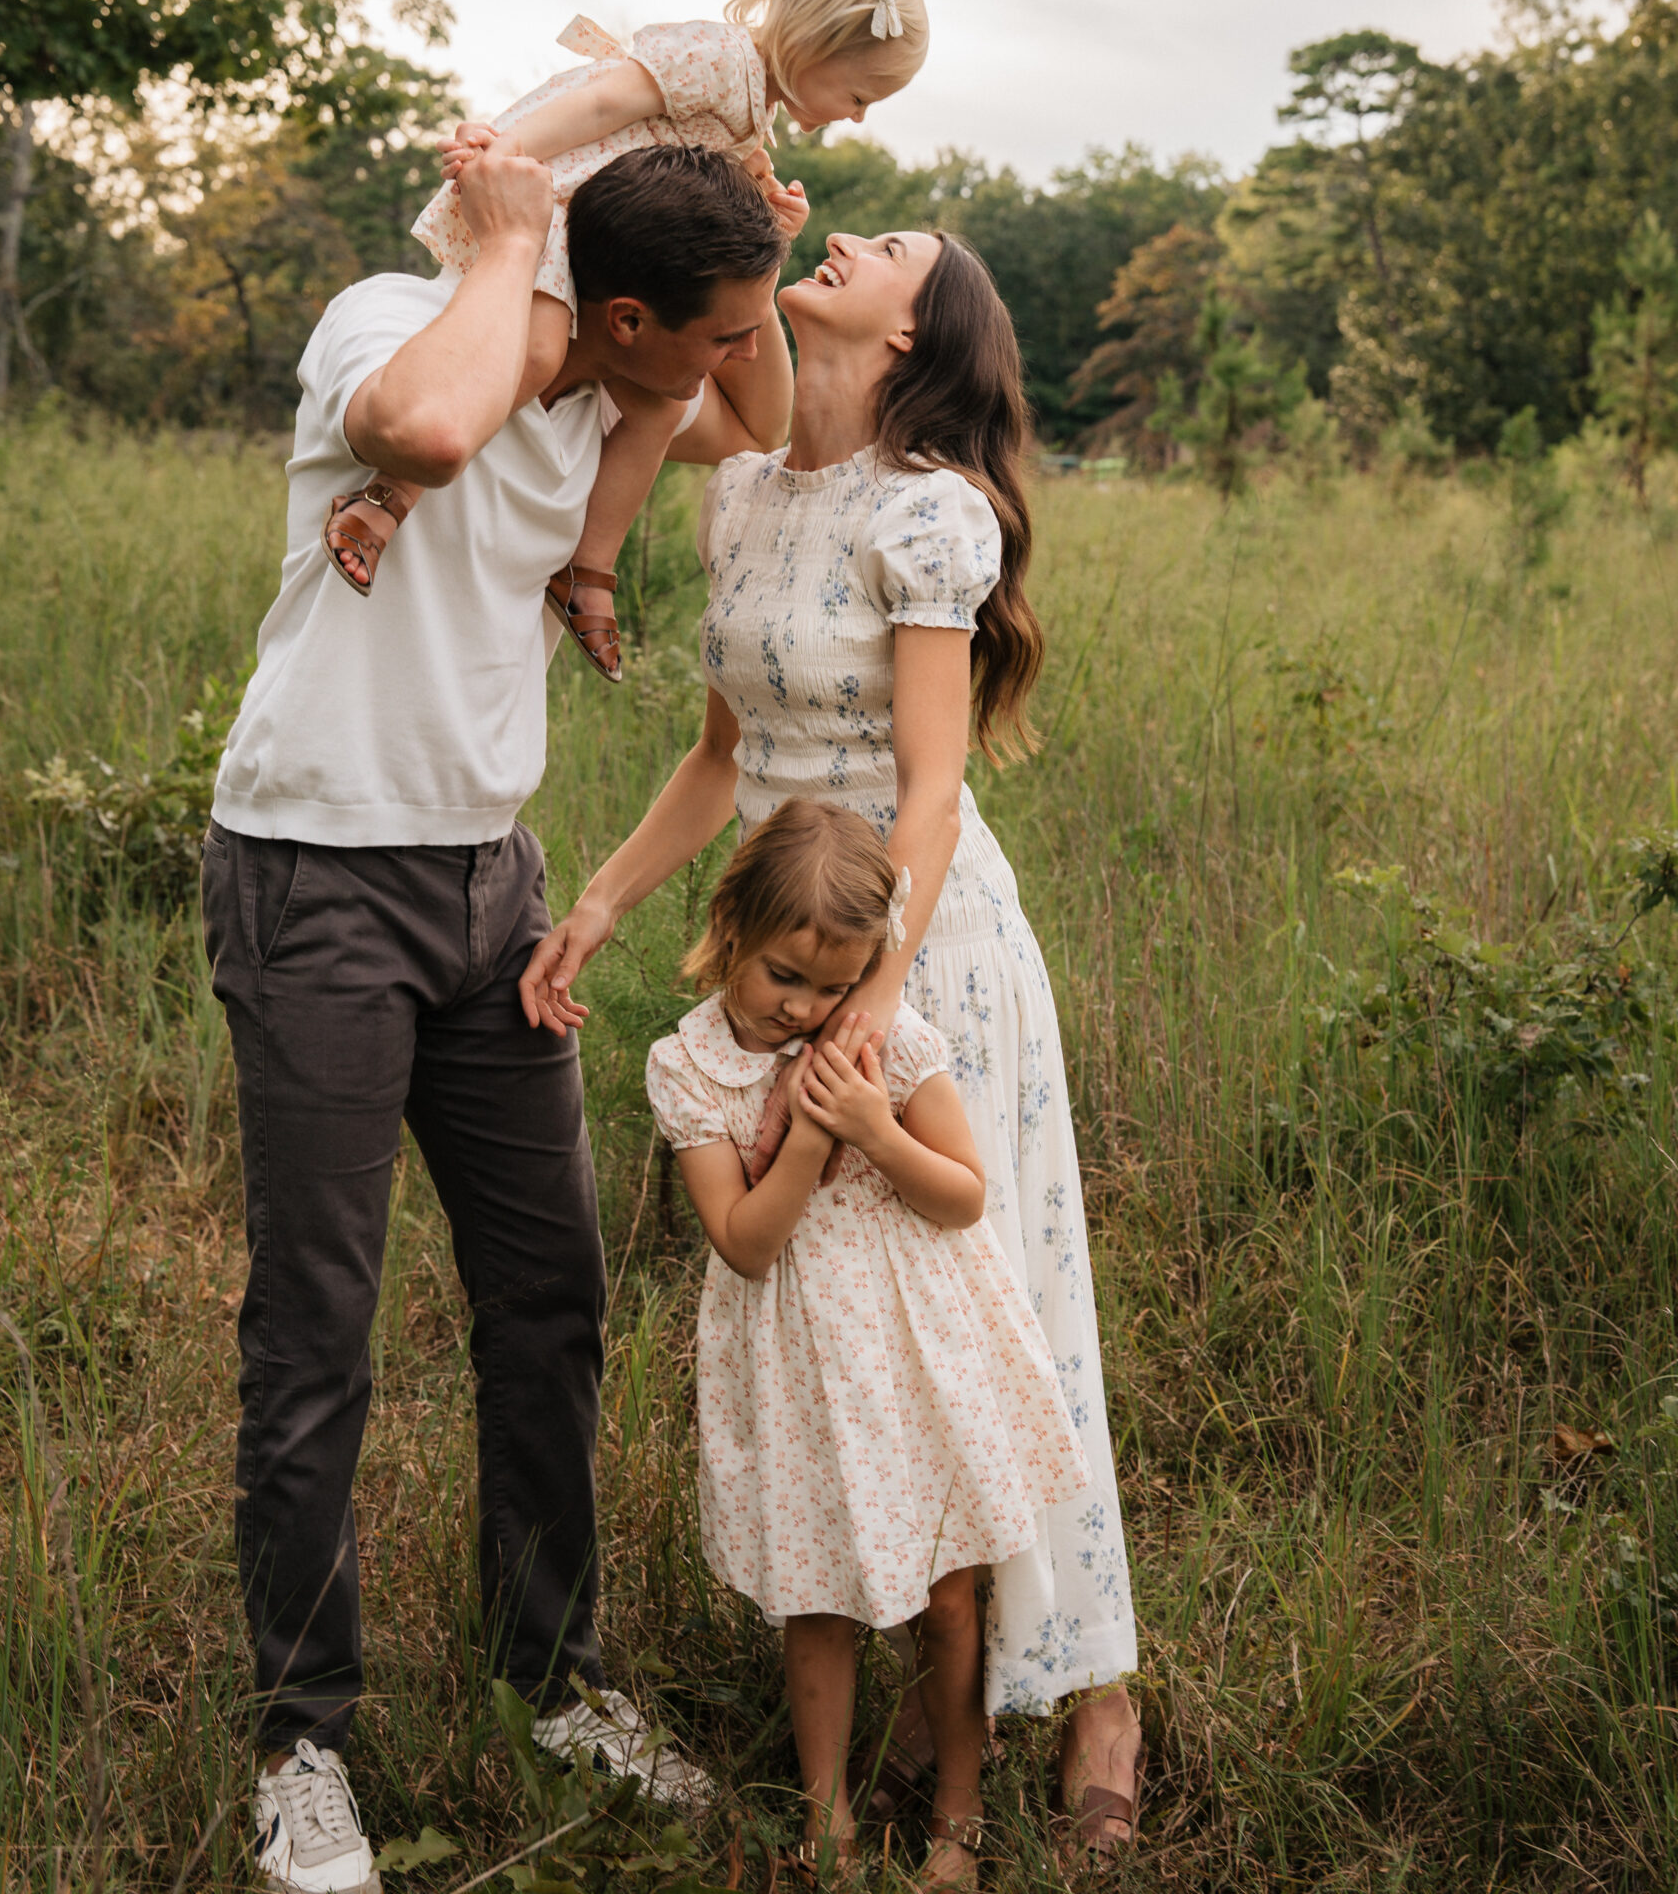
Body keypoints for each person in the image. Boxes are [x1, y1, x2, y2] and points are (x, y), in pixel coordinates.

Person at [204, 139, 792, 1894]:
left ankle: (554, 1674)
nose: (732, 358)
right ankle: (303, 1744)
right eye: (714, 327)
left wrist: (763, 240)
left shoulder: (621, 401)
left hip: (492, 890)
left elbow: (753, 412)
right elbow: (428, 430)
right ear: (623, 315)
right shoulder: (390, 322)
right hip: (317, 872)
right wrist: (512, 237)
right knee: (317, 1324)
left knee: (550, 1295)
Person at [522, 228, 1146, 1859]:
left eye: (893, 250)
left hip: (928, 953)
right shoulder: (741, 492)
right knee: (845, 1317)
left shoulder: (930, 511)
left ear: (920, 331)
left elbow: (931, 791)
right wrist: (599, 905)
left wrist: (883, 992)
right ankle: (909, 1642)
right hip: (785, 950)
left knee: (995, 1305)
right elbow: (721, 759)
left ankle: (1091, 1682)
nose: (851, 236)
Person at [646, 798, 1090, 1889]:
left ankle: (958, 1812)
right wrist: (810, 1134)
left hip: (917, 1350)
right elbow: (747, 1243)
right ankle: (827, 1820)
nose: (807, 1009)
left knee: (949, 1588)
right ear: (732, 928)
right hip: (800, 1368)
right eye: (784, 977)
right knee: (819, 1597)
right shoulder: (689, 1068)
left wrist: (875, 1129)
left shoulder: (883, 1044)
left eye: (834, 986)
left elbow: (963, 1196)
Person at [321, 0, 929, 685]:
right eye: (860, 96)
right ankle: (389, 493)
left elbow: (725, 297)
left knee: (660, 402)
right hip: (561, 204)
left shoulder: (750, 122)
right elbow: (604, 101)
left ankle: (589, 567)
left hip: (616, 242)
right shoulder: (719, 58)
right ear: (815, 44)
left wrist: (769, 230)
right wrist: (505, 154)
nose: (859, 118)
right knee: (536, 352)